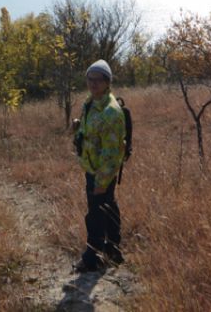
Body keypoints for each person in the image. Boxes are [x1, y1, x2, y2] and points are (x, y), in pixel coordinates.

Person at [72, 59, 126, 273]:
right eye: (90, 79)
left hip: (101, 173)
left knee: (94, 214)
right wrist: (78, 127)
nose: (93, 83)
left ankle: (91, 257)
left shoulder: (111, 112)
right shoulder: (91, 102)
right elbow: (92, 133)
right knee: (108, 207)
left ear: (107, 82)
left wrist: (101, 182)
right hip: (92, 168)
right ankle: (113, 250)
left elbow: (112, 154)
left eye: (98, 80)